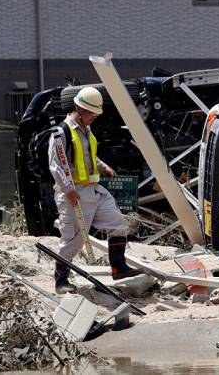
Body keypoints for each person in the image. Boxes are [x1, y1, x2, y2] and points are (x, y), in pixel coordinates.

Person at [49, 86, 142, 294]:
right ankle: (60, 280)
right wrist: (69, 190)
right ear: (79, 109)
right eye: (91, 113)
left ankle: (118, 267)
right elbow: (56, 165)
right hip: (73, 193)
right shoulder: (61, 133)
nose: (94, 117)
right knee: (73, 241)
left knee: (118, 223)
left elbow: (90, 155)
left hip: (93, 190)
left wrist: (103, 167)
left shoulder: (87, 130)